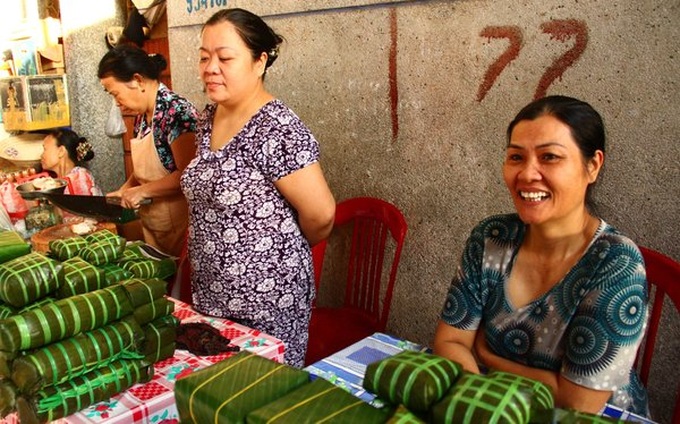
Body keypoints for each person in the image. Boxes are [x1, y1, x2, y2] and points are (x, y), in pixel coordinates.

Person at [433, 95, 649, 417]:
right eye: (516, 157)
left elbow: (578, 404)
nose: (528, 174)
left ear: (592, 166)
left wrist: (487, 356)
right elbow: (450, 342)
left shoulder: (616, 264)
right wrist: (480, 406)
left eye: (549, 157)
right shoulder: (492, 238)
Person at [180, 8, 336, 367]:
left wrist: (274, 250)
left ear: (260, 61)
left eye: (225, 57)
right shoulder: (208, 118)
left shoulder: (277, 127)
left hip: (267, 301)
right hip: (212, 295)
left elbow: (322, 215)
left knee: (260, 401)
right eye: (204, 57)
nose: (210, 67)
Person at [98, 45, 198, 257]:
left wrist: (141, 192)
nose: (117, 103)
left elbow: (189, 175)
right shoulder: (142, 116)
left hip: (183, 230)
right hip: (155, 227)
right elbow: (146, 169)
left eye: (116, 94)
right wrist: (125, 189)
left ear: (137, 80)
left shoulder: (176, 112)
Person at [40, 128, 102, 196]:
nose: (41, 155)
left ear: (61, 151)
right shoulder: (53, 177)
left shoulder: (80, 178)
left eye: (45, 149)